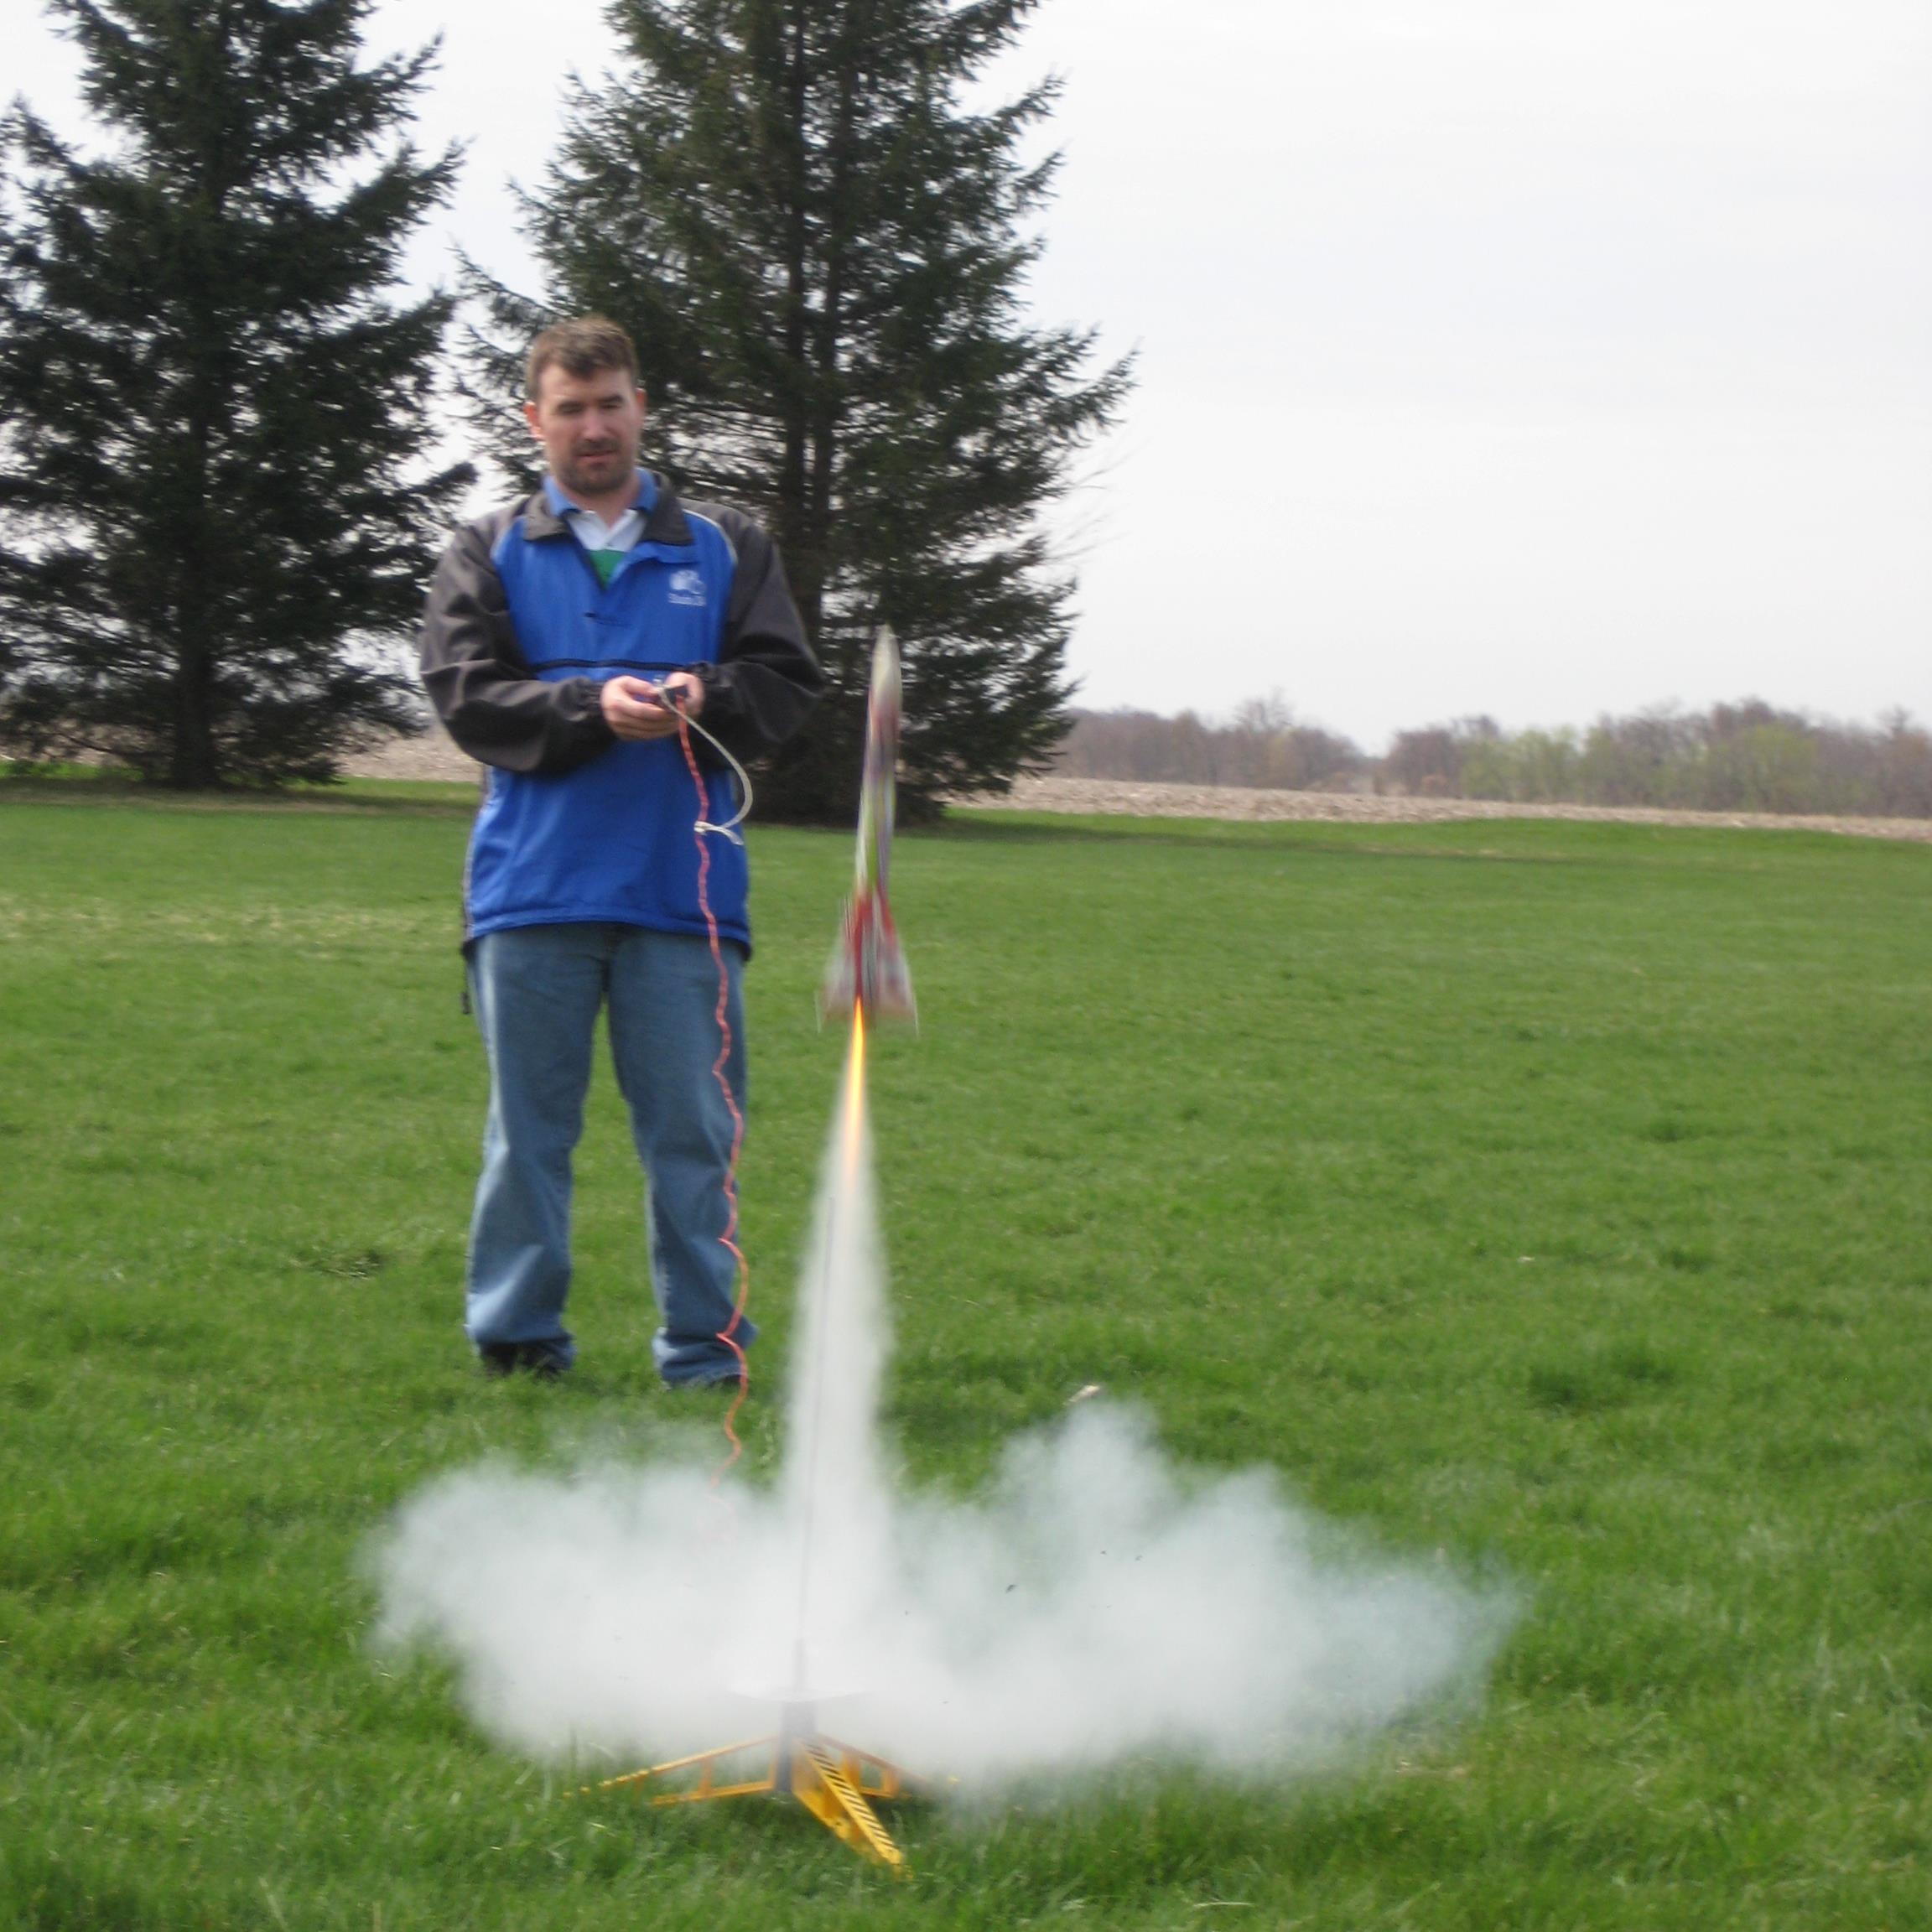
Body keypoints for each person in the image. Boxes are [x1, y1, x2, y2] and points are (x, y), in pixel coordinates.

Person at [419, 315, 823, 1385]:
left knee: (695, 1140)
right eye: (569, 409)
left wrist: (708, 693)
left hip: (683, 900)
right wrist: (592, 704)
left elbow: (783, 684)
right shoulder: (489, 547)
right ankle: (518, 1346)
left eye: (610, 405)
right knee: (529, 1140)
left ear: (641, 408)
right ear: (534, 419)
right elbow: (466, 697)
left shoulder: (728, 546)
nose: (593, 428)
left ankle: (704, 1353)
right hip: (532, 895)